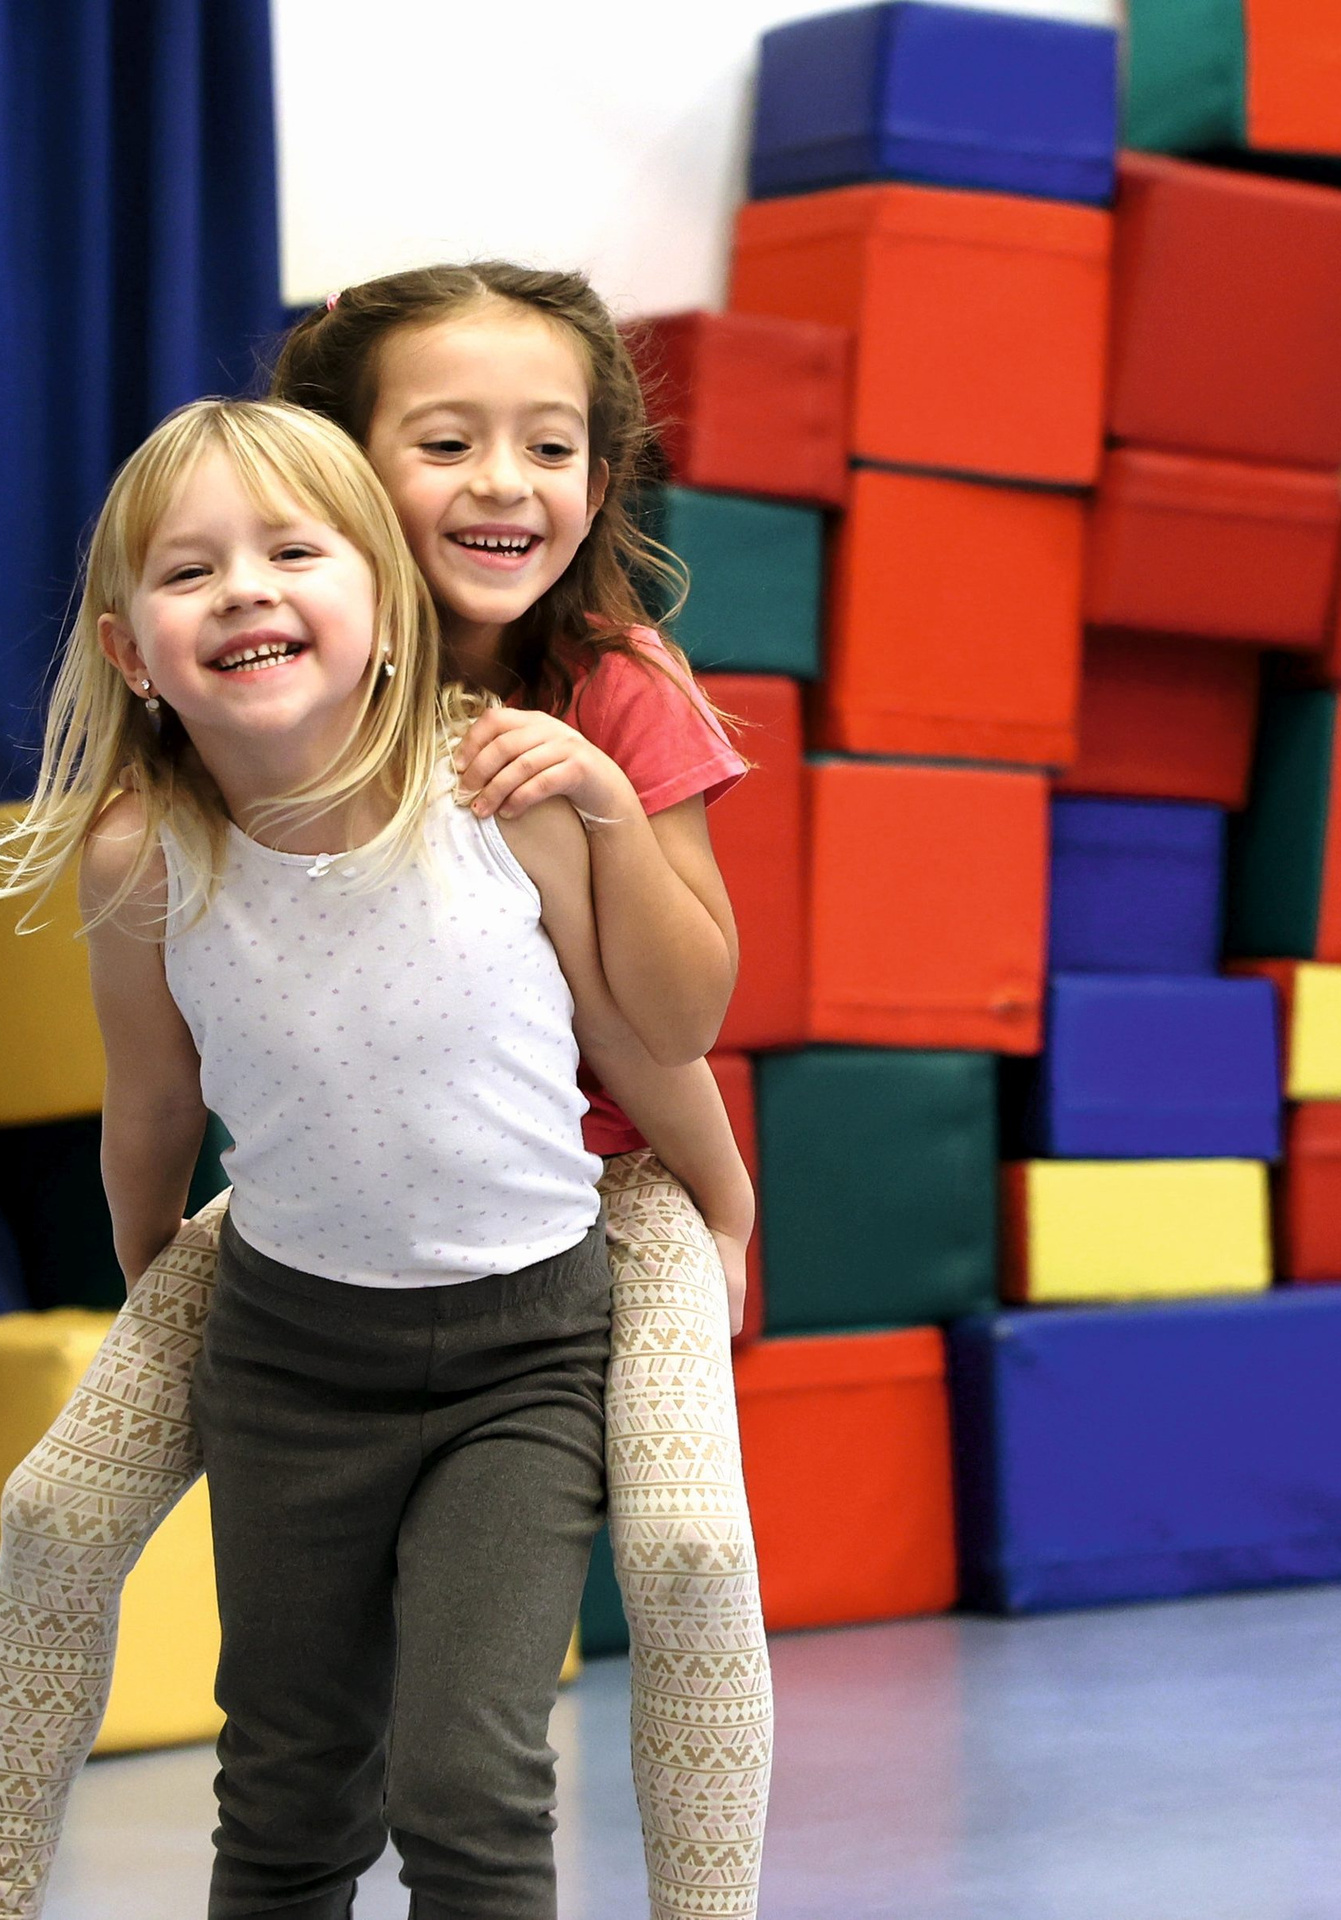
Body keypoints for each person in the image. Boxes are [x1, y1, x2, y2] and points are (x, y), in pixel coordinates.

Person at [0, 266, 771, 1920]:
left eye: (549, 444)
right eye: (447, 442)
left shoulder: (574, 725)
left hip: (586, 1220)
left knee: (665, 1588)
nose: (502, 482)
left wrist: (722, 1197)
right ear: (351, 464)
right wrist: (160, 1286)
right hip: (297, 1282)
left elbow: (663, 1030)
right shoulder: (168, 825)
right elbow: (155, 1094)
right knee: (96, 1573)